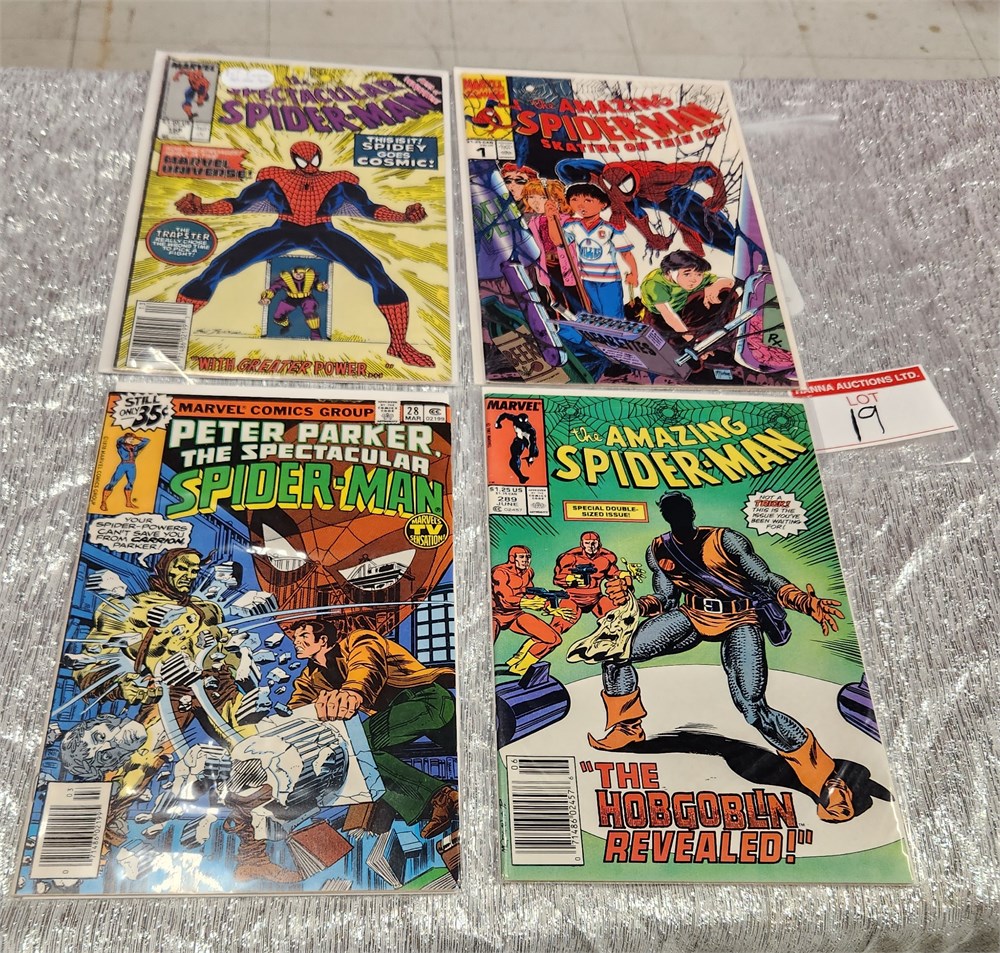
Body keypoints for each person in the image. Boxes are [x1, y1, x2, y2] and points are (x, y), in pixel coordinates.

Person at [573, 491, 854, 824]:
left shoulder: (725, 540)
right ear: (666, 516)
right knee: (615, 651)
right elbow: (665, 598)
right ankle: (627, 727)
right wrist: (632, 603)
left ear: (692, 513)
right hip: (692, 615)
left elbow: (765, 578)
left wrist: (804, 602)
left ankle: (827, 780)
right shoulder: (659, 549)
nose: (678, 517)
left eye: (682, 511)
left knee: (752, 707)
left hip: (740, 619)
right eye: (671, 512)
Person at [173, 141, 433, 367]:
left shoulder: (339, 182)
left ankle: (399, 345)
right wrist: (203, 208)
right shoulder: (275, 179)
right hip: (284, 229)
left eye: (314, 160)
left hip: (322, 232)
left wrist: (403, 216)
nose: (309, 165)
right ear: (294, 159)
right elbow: (238, 203)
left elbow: (369, 208)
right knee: (217, 268)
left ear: (320, 157)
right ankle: (174, 330)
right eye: (303, 160)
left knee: (378, 275)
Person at [75, 549, 253, 842]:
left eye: (194, 570)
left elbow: (224, 649)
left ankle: (252, 848)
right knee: (138, 765)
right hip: (168, 692)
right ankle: (99, 838)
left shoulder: (208, 610)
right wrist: (125, 686)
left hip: (217, 689)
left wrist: (236, 661)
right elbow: (91, 663)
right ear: (164, 567)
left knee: (257, 751)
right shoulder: (129, 609)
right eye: (182, 568)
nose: (189, 576)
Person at [287, 618, 458, 839]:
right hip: (399, 717)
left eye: (303, 636)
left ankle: (441, 799)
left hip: (427, 699)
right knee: (352, 752)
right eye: (295, 638)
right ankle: (441, 799)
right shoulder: (310, 678)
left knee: (356, 747)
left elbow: (366, 666)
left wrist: (352, 692)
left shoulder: (359, 641)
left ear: (323, 640)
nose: (296, 642)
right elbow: (298, 706)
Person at [560, 183, 638, 320]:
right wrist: (551, 218)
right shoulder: (573, 226)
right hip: (587, 279)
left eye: (588, 200)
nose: (581, 205)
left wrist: (634, 274)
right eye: (575, 200)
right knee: (597, 314)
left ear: (603, 204)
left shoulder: (610, 228)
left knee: (613, 316)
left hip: (609, 281)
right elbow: (559, 242)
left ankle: (617, 334)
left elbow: (626, 253)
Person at [491, 545, 567, 675]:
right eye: (522, 557)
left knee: (553, 639)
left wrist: (550, 608)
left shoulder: (528, 572)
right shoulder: (500, 572)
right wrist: (528, 603)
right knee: (484, 648)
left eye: (528, 557)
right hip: (493, 616)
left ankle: (518, 668)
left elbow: (531, 593)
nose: (526, 560)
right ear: (512, 558)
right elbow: (505, 599)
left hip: (515, 615)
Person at [640, 249, 736, 339]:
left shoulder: (695, 276)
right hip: (660, 318)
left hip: (684, 307)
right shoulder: (655, 284)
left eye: (699, 274)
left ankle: (723, 334)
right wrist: (689, 339)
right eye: (687, 274)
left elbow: (730, 283)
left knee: (726, 292)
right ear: (669, 272)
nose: (694, 279)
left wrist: (714, 287)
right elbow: (668, 315)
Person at [522, 179, 582, 314]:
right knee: (557, 301)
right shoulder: (533, 222)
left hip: (568, 266)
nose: (536, 202)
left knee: (575, 299)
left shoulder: (567, 220)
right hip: (547, 266)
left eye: (542, 198)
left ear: (556, 200)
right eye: (531, 197)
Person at [550, 532, 624, 636]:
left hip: (596, 599)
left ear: (599, 543)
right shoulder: (571, 558)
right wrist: (569, 578)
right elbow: (557, 578)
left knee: (620, 620)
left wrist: (625, 575)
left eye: (594, 543)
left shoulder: (605, 559)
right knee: (555, 630)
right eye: (587, 543)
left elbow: (614, 575)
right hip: (573, 599)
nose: (591, 546)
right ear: (582, 544)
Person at [260, 265, 327, 339]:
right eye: (296, 273)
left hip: (307, 298)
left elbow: (317, 285)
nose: (299, 275)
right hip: (291, 299)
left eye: (301, 273)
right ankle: (286, 325)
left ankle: (315, 334)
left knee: (309, 312)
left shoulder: (310, 278)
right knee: (278, 316)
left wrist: (322, 287)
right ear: (292, 272)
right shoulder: (285, 280)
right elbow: (274, 288)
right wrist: (267, 297)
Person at [101, 433, 148, 511]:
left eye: (132, 439)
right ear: (125, 439)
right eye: (130, 439)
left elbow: (146, 441)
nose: (132, 440)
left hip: (132, 466)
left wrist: (136, 437)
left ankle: (128, 503)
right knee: (112, 483)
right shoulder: (121, 446)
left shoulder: (135, 447)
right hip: (123, 465)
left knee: (130, 484)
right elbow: (119, 440)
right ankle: (103, 502)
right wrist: (127, 437)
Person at [494, 411, 538, 484]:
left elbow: (532, 443)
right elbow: (504, 415)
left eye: (524, 423)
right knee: (515, 456)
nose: (522, 425)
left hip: (527, 441)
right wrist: (498, 422)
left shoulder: (530, 430)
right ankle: (521, 477)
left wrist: (531, 455)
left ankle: (531, 456)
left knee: (535, 453)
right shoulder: (515, 418)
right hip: (519, 441)